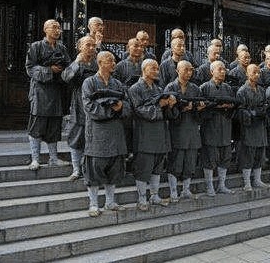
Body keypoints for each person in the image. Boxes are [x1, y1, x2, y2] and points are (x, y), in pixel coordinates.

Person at [81, 51, 131, 217]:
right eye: (110, 60)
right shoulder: (89, 82)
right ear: (101, 62)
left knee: (115, 168)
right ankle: (94, 203)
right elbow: (89, 107)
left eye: (114, 60)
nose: (113, 63)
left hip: (116, 132)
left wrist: (121, 107)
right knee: (94, 168)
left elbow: (129, 104)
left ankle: (110, 202)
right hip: (97, 133)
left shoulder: (117, 83)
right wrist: (111, 111)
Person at [128, 59, 175, 211]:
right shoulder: (135, 89)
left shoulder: (159, 88)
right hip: (144, 134)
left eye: (157, 68)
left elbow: (168, 114)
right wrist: (160, 106)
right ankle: (142, 198)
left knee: (157, 167)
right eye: (153, 68)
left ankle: (154, 195)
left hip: (160, 134)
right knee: (143, 168)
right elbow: (139, 110)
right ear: (144, 69)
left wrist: (170, 105)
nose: (156, 70)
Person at [25, 19, 72, 170]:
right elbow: (30, 67)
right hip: (40, 90)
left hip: (56, 90)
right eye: (54, 27)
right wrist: (49, 70)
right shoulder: (36, 46)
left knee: (54, 125)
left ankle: (53, 158)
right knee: (37, 124)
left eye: (59, 28)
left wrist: (63, 70)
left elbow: (68, 66)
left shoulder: (62, 48)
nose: (57, 30)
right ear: (45, 29)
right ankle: (35, 159)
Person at [164, 60, 205, 202]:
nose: (189, 73)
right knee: (176, 161)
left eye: (191, 70)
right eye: (186, 70)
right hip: (177, 130)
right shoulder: (171, 87)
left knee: (190, 161)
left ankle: (186, 190)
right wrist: (180, 109)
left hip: (192, 130)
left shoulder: (195, 88)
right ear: (177, 70)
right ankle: (174, 191)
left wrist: (197, 109)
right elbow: (166, 111)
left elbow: (200, 112)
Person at [61, 35, 98, 180]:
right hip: (79, 104)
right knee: (77, 137)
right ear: (79, 47)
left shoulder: (97, 63)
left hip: (95, 104)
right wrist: (76, 62)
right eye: (87, 45)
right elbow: (65, 77)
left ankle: (88, 169)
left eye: (93, 46)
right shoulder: (75, 63)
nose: (91, 48)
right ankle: (76, 169)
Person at [236, 64, 270, 191]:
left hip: (260, 126)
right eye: (254, 72)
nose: (257, 75)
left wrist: (265, 111)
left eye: (258, 73)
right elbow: (240, 109)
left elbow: (266, 105)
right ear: (247, 74)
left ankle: (257, 179)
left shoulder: (261, 90)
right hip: (249, 127)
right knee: (248, 154)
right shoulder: (242, 91)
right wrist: (252, 114)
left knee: (260, 153)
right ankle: (247, 182)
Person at [199, 60, 237, 195]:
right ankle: (209, 186)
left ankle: (221, 184)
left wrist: (229, 107)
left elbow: (235, 106)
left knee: (225, 157)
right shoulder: (204, 87)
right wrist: (215, 107)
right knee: (210, 157)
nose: (223, 72)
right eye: (220, 69)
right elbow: (200, 109)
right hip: (210, 127)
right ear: (211, 72)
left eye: (224, 69)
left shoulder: (228, 88)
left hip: (225, 126)